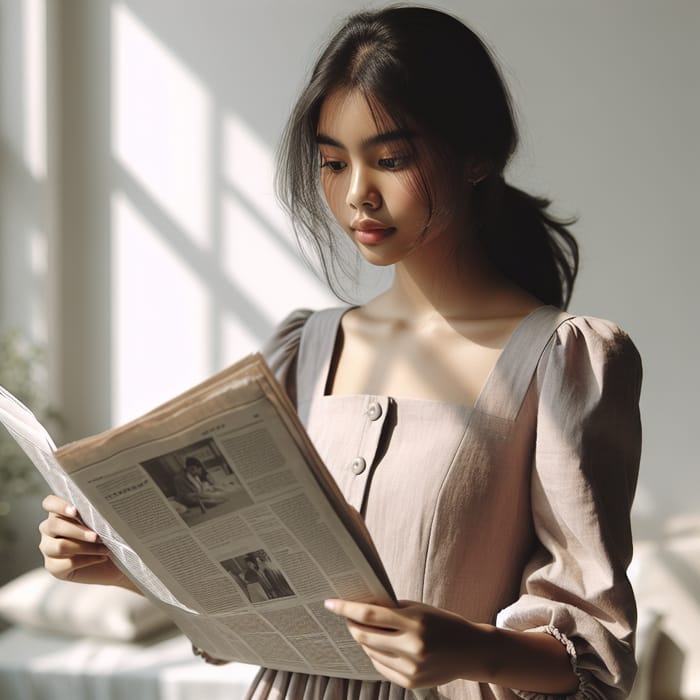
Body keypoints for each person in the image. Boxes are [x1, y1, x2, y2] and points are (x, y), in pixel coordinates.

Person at [38, 6, 642, 699]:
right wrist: (120, 559)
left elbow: (595, 660)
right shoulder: (306, 349)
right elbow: (261, 588)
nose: (357, 195)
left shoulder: (563, 360)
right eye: (332, 162)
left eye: (390, 159)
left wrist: (473, 648)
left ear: (476, 156)